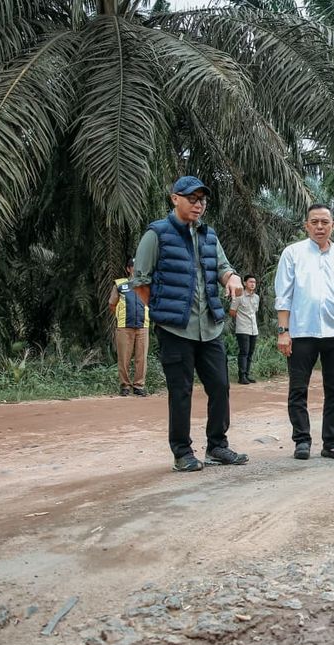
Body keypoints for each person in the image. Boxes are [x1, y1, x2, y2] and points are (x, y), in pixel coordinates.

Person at [131, 176, 249, 472]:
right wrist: (162, 312)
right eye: (192, 199)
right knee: (180, 392)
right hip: (175, 330)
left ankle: (217, 446)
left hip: (210, 326)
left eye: (202, 200)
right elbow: (141, 282)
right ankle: (182, 452)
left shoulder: (210, 236)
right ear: (175, 199)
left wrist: (232, 278)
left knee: (221, 386)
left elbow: (223, 268)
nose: (198, 205)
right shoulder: (156, 234)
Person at [275, 204, 334, 462]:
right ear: (306, 225)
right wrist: (284, 331)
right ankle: (301, 441)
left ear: (332, 225)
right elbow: (284, 295)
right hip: (301, 333)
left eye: (325, 222)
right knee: (298, 389)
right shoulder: (293, 253)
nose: (320, 227)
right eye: (314, 222)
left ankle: (331, 444)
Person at [108, 257, 150, 397]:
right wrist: (120, 316)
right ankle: (125, 386)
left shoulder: (147, 284)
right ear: (128, 269)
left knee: (141, 357)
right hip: (124, 326)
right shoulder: (120, 284)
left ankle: (139, 386)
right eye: (134, 266)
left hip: (143, 326)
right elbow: (112, 304)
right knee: (123, 357)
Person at [230, 274, 260, 384]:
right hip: (242, 329)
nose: (252, 284)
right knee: (244, 352)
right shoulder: (239, 297)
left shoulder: (256, 297)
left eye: (254, 282)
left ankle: (247, 375)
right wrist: (241, 319)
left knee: (250, 353)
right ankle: (241, 376)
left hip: (253, 329)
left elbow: (254, 312)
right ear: (244, 283)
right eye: (250, 282)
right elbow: (232, 311)